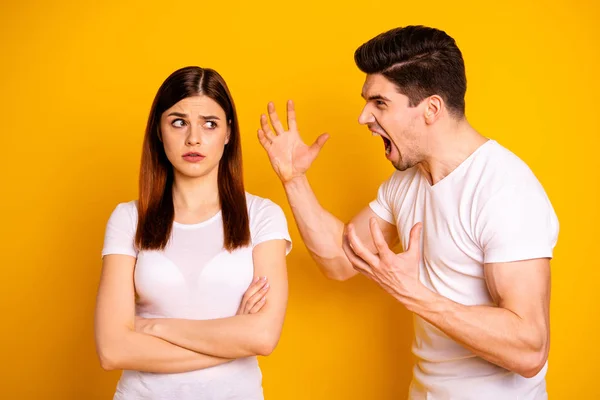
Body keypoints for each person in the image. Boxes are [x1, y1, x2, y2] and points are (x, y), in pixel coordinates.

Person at [257, 25, 559, 399]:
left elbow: (529, 348)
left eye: (380, 103)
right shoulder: (405, 185)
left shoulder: (503, 189)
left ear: (431, 108)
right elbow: (338, 259)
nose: (363, 118)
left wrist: (414, 294)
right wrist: (294, 179)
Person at [94, 66, 292, 400]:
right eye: (178, 122)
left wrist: (151, 327)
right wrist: (231, 340)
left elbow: (262, 337)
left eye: (210, 124)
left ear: (228, 133)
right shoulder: (128, 219)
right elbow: (113, 350)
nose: (194, 138)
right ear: (159, 130)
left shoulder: (261, 216)